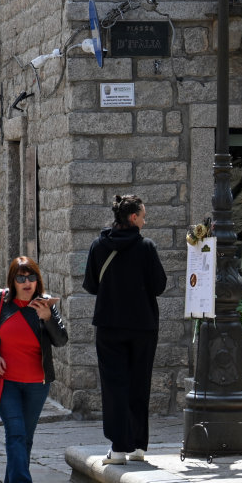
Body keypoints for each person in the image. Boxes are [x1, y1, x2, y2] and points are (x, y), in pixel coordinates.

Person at [0, 256, 68, 483]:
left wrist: (47, 317)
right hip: (6, 382)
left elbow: (61, 341)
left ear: (38, 279)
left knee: (25, 438)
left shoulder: (45, 304)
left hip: (37, 383)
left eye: (31, 277)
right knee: (15, 432)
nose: (27, 283)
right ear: (12, 281)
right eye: (21, 278)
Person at [83, 194, 168, 464]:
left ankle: (118, 447)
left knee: (114, 385)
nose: (145, 219)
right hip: (143, 326)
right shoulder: (146, 247)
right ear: (133, 218)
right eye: (143, 215)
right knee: (139, 383)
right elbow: (159, 286)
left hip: (110, 324)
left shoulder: (99, 245)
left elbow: (92, 285)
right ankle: (139, 445)